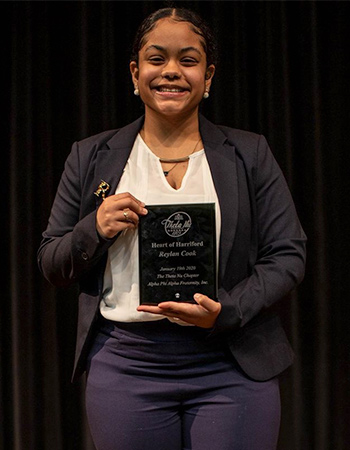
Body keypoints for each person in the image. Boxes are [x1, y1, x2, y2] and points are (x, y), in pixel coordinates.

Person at [38, 7, 306, 450]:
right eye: (157, 58)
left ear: (208, 75)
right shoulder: (91, 156)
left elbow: (288, 254)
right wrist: (96, 227)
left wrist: (228, 311)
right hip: (127, 366)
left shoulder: (249, 153)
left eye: (188, 59)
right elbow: (51, 261)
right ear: (135, 71)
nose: (171, 72)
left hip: (231, 363)